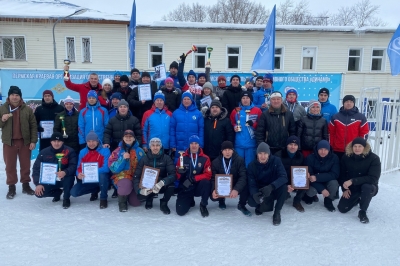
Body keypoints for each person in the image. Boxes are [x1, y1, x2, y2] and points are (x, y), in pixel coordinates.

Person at [1, 86, 38, 199]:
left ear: (20, 97)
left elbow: (33, 126)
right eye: (12, 95)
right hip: (9, 142)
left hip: (24, 142)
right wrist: (2, 119)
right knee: (10, 166)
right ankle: (11, 187)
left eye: (17, 95)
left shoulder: (27, 109)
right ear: (9, 96)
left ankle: (26, 185)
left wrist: (33, 141)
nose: (15, 97)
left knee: (25, 165)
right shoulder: (3, 108)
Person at [338, 138, 381, 223]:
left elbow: (373, 178)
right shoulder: (346, 157)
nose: (357, 148)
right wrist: (345, 189)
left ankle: (362, 211)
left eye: (360, 146)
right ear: (352, 147)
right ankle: (356, 199)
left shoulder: (374, 158)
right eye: (355, 146)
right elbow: (342, 174)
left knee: (367, 187)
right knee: (342, 209)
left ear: (365, 147)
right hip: (353, 187)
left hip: (369, 186)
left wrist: (353, 181)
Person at [32, 132, 77, 209]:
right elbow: (36, 168)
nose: (56, 143)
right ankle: (57, 193)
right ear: (51, 142)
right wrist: (38, 184)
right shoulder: (44, 152)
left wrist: (65, 172)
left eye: (59, 141)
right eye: (54, 141)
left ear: (62, 142)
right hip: (49, 179)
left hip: (64, 178)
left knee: (69, 178)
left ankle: (66, 198)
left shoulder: (69, 151)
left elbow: (73, 166)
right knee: (39, 193)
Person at [247, 142, 288, 225]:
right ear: (257, 154)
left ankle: (277, 212)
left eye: (265, 153)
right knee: (252, 201)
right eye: (260, 153)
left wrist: (271, 186)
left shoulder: (276, 161)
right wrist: (255, 193)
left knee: (284, 187)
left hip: (273, 187)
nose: (262, 156)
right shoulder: (252, 165)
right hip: (261, 189)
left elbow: (283, 177)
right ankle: (260, 206)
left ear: (269, 154)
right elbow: (252, 182)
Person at [133, 138, 176, 214]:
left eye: (157, 145)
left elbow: (173, 174)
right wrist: (139, 190)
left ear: (160, 146)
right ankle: (149, 199)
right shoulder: (144, 159)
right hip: (148, 185)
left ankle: (164, 203)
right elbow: (136, 176)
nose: (155, 148)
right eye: (153, 145)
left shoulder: (166, 158)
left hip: (160, 184)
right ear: (150, 147)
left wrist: (163, 182)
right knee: (140, 197)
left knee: (171, 186)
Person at [71, 131, 111, 209]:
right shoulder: (83, 152)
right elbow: (79, 166)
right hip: (88, 179)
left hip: (101, 178)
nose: (91, 143)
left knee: (102, 175)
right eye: (89, 141)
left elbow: (106, 168)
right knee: (74, 192)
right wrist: (78, 174)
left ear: (97, 141)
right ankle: (95, 190)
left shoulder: (105, 150)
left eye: (93, 141)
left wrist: (93, 171)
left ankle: (103, 198)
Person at [210, 141, 251, 216]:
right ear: (222, 151)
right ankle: (221, 200)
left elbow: (243, 176)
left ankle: (241, 205)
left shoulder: (239, 160)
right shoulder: (215, 162)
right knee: (213, 196)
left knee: (246, 184)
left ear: (233, 150)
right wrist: (213, 190)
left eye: (229, 149)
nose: (227, 152)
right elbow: (213, 178)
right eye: (225, 150)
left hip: (235, 183)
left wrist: (236, 189)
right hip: (222, 185)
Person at [175, 135, 212, 217]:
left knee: (206, 183)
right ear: (189, 145)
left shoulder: (205, 158)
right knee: (180, 212)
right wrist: (179, 172)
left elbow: (208, 175)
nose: (194, 145)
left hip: (198, 185)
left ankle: (203, 205)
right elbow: (177, 175)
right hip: (186, 186)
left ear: (199, 145)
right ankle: (190, 199)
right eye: (192, 143)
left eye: (196, 143)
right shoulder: (182, 157)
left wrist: (194, 179)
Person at [108, 130, 145, 212]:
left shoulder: (140, 151)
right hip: (123, 177)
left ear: (134, 138)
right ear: (123, 138)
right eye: (126, 136)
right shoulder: (117, 151)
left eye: (130, 136)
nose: (128, 138)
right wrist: (122, 159)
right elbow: (113, 168)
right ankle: (122, 202)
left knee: (136, 203)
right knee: (125, 185)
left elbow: (145, 166)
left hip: (136, 178)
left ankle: (130, 193)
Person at [329, 95, 369, 160]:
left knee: (351, 169)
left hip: (353, 150)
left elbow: (364, 133)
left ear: (354, 103)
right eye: (347, 101)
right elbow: (331, 133)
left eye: (351, 102)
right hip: (337, 150)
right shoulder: (336, 117)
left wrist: (359, 147)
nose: (349, 103)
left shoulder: (360, 117)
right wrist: (331, 146)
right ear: (343, 103)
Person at [305, 140, 340, 212]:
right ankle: (308, 196)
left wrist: (317, 177)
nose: (323, 152)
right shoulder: (310, 158)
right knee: (311, 191)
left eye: (325, 149)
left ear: (329, 149)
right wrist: (321, 189)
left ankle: (328, 201)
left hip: (326, 180)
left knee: (334, 183)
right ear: (317, 149)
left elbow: (335, 174)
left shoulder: (334, 158)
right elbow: (309, 177)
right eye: (320, 149)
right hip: (314, 183)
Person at [275, 136, 307, 212]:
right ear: (287, 145)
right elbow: (274, 173)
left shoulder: (300, 156)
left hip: (294, 180)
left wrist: (306, 174)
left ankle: (297, 201)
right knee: (283, 195)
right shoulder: (278, 155)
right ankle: (283, 196)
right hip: (282, 180)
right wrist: (286, 185)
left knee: (306, 180)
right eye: (291, 144)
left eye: (295, 145)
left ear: (298, 146)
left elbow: (303, 169)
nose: (293, 147)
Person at [230, 91, 262, 166]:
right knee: (238, 165)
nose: (245, 100)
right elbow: (231, 122)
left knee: (250, 166)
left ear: (250, 99)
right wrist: (234, 126)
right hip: (239, 144)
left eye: (247, 98)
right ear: (240, 100)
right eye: (243, 98)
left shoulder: (257, 110)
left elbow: (261, 125)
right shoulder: (236, 111)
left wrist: (253, 124)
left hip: (251, 144)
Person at [170, 91, 204, 161]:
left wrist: (200, 143)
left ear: (191, 100)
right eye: (184, 99)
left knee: (193, 164)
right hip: (179, 144)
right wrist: (172, 144)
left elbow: (201, 129)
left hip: (193, 145)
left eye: (188, 99)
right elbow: (172, 129)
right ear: (182, 101)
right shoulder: (176, 113)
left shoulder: (198, 113)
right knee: (180, 164)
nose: (186, 101)